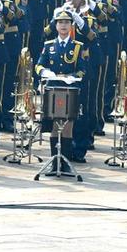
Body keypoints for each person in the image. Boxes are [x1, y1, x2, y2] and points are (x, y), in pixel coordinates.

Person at [36, 8, 90, 161]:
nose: (63, 26)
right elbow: (39, 65)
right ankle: (55, 160)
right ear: (56, 25)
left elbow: (82, 70)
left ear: (71, 25)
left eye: (66, 22)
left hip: (70, 89)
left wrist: (72, 77)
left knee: (67, 126)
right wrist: (45, 73)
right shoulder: (49, 45)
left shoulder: (77, 46)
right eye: (60, 22)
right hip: (53, 89)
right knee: (54, 126)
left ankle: (65, 161)